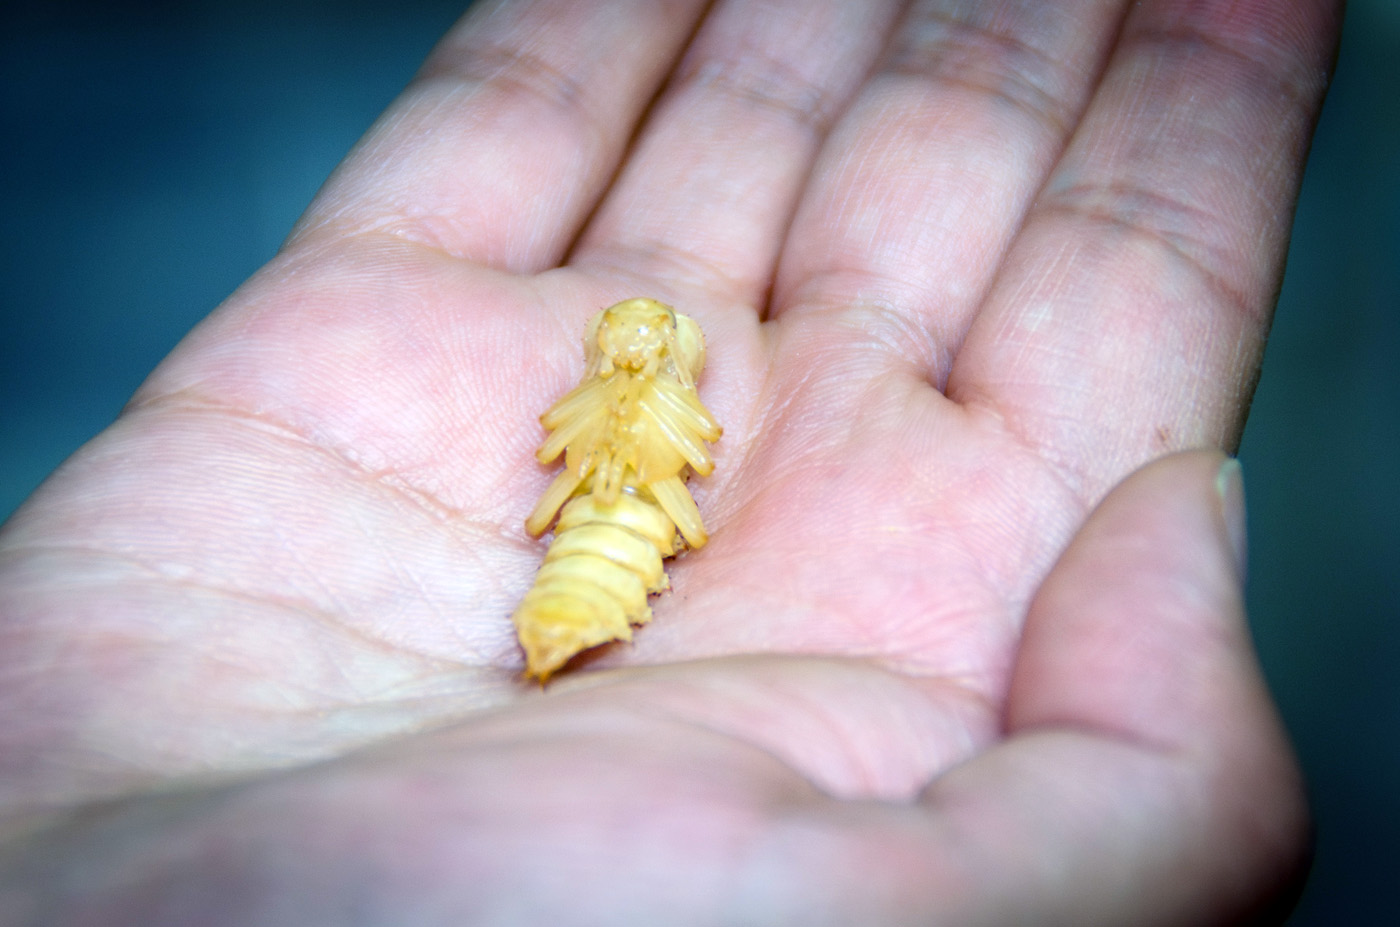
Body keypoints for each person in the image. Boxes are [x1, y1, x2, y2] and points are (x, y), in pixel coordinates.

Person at [0, 0, 1340, 922]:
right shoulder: (621, 412)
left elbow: (651, 470)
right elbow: (611, 455)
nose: (645, 338)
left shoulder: (643, 415)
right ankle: (568, 615)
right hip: (601, 546)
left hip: (613, 543)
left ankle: (576, 610)